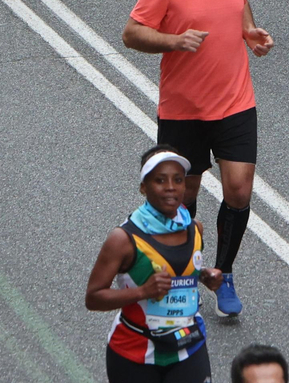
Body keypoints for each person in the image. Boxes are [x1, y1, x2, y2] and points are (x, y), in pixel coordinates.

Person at [124, 0, 274, 317]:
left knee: (239, 190)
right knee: (183, 195)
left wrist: (250, 32)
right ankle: (186, 271)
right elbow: (132, 33)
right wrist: (174, 41)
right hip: (184, 108)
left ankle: (222, 273)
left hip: (235, 100)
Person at [84, 147, 225, 383]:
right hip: (135, 351)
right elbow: (93, 297)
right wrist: (142, 292)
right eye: (160, 180)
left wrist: (204, 276)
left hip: (187, 345)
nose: (171, 187)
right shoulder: (123, 239)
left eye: (178, 180)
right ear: (143, 187)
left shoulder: (194, 228)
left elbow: (183, 268)